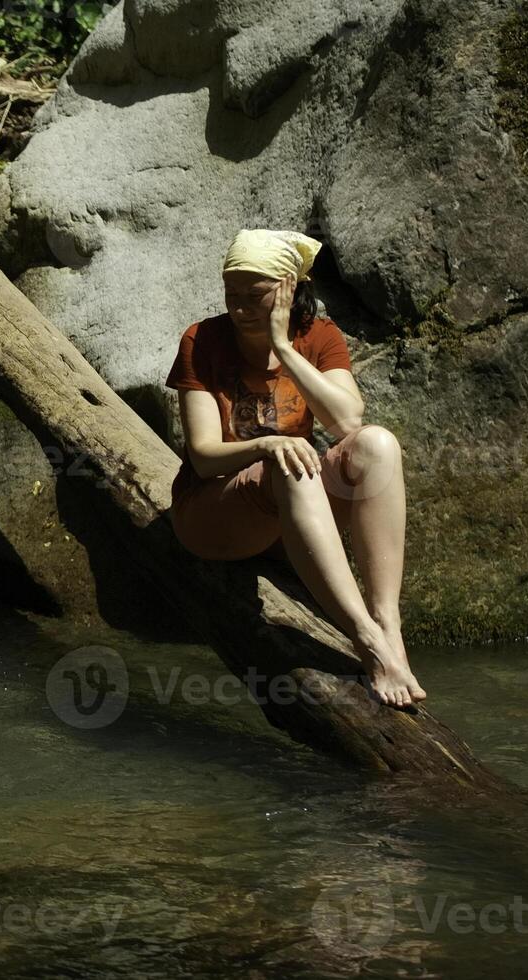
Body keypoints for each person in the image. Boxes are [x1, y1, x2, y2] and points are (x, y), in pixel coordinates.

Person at [164, 229, 427, 708]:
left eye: (255, 295)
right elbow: (202, 455)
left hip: (289, 517)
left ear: (288, 288)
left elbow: (346, 420)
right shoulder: (201, 339)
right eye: (231, 294)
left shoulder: (318, 336)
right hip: (214, 516)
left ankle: (388, 623)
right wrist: (267, 444)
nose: (240, 307)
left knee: (377, 446)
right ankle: (366, 640)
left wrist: (283, 348)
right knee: (287, 461)